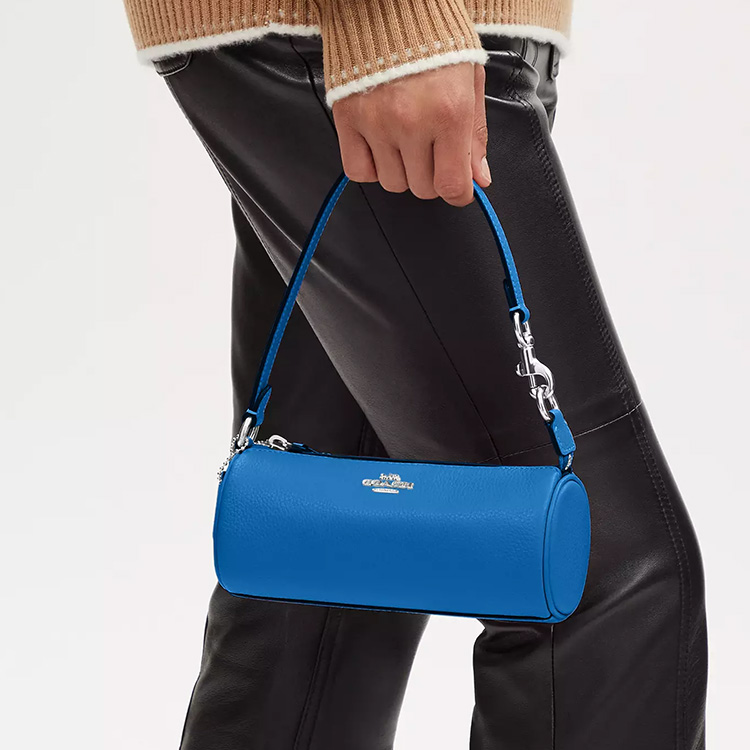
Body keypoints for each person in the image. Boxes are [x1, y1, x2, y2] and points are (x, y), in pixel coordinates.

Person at [122, 2, 708, 748]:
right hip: (372, 43)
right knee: (598, 577)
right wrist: (392, 22)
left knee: (322, 556)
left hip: (404, 44)